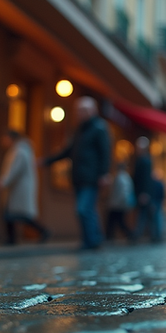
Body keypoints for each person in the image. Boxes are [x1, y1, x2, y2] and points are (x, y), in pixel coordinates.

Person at [44, 96, 112, 250]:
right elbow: (68, 151)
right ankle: (94, 239)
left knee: (83, 208)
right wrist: (48, 161)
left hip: (91, 177)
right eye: (79, 110)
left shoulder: (99, 128)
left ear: (93, 110)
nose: (81, 113)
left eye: (84, 110)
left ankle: (91, 241)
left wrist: (104, 174)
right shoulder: (79, 130)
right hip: (78, 177)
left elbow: (105, 152)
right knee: (87, 209)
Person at [0, 130, 48, 245]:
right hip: (18, 187)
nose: (3, 142)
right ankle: (12, 238)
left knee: (17, 214)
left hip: (19, 188)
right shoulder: (20, 150)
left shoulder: (19, 151)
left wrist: (3, 181)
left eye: (5, 138)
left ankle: (42, 231)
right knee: (14, 214)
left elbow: (14, 170)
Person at [131, 137, 155, 242]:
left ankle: (138, 234)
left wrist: (144, 193)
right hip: (141, 192)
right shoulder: (143, 160)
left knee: (143, 215)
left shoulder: (145, 161)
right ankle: (153, 235)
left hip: (142, 192)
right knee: (145, 214)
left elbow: (145, 178)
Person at [105, 162, 135, 241]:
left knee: (116, 221)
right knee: (117, 221)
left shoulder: (121, 177)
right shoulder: (125, 176)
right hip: (120, 203)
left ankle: (130, 234)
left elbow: (122, 192)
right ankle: (110, 236)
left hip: (118, 204)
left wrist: (115, 203)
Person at [149, 171, 166, 242]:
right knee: (158, 220)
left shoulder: (153, 184)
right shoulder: (160, 184)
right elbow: (163, 195)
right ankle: (157, 236)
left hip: (155, 202)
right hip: (158, 203)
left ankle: (156, 236)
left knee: (155, 220)